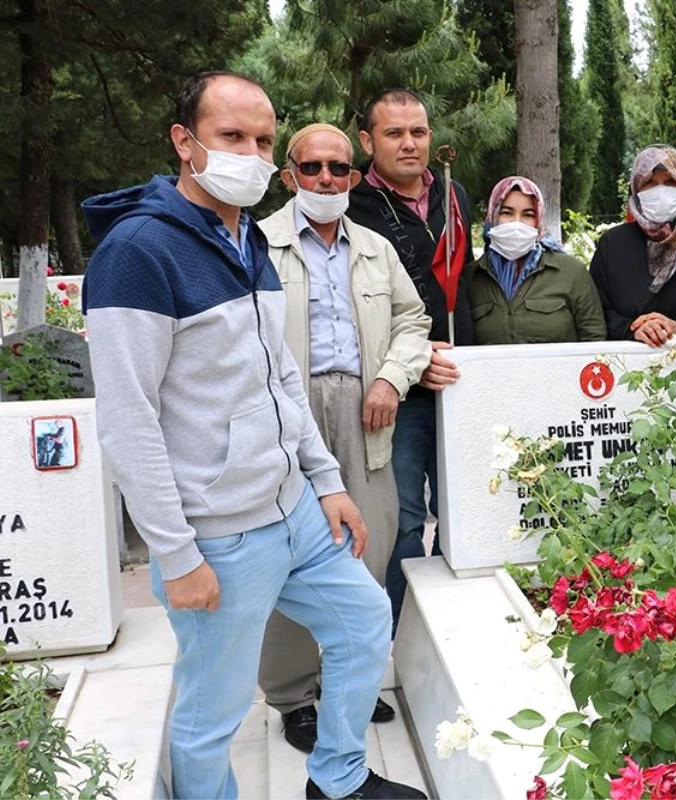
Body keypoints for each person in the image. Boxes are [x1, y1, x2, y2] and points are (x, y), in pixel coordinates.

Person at [82, 72, 423, 800]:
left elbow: (281, 381)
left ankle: (338, 779)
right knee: (214, 713)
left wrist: (325, 484)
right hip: (217, 533)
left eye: (263, 140)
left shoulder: (245, 241)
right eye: (232, 136)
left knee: (364, 622)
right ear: (184, 141)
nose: (252, 153)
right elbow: (128, 422)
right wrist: (175, 556)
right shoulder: (137, 253)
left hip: (291, 507)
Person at [258, 123, 433, 753]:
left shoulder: (375, 248)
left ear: (354, 179)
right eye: (312, 168)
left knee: (369, 544)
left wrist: (391, 379)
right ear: (289, 176)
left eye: (338, 169)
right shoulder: (259, 244)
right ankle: (294, 696)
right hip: (290, 413)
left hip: (368, 411)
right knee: (292, 552)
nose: (327, 179)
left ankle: (350, 685)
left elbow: (414, 319)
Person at [347, 89, 470, 629]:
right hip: (395, 390)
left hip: (459, 380)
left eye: (418, 131)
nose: (409, 143)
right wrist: (412, 360)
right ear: (367, 140)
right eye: (394, 133)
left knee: (463, 507)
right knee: (401, 519)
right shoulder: (350, 204)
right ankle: (395, 631)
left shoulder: (453, 192)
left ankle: (448, 626)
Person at [589, 145, 676, 345]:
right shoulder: (612, 245)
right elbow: (596, 310)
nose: (661, 191)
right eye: (650, 183)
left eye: (670, 182)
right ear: (636, 188)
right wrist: (634, 329)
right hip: (627, 366)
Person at [468, 176, 605, 344]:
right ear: (493, 217)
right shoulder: (472, 276)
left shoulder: (571, 272)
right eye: (507, 213)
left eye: (528, 214)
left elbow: (594, 338)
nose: (516, 223)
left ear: (538, 221)